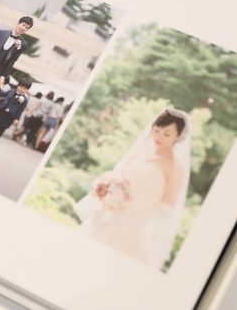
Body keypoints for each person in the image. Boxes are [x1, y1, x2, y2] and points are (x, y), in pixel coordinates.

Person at [75, 108, 191, 268]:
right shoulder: (139, 156)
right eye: (157, 131)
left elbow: (167, 205)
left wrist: (136, 211)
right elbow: (118, 180)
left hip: (132, 227)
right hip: (107, 215)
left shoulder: (175, 168)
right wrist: (108, 192)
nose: (159, 137)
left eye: (167, 134)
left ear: (178, 137)